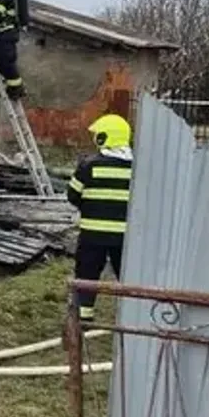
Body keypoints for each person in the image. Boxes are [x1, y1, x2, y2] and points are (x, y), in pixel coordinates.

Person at [66, 114, 132, 323]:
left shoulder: (89, 166)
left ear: (104, 138)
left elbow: (72, 195)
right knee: (127, 276)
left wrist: (90, 207)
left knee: (86, 275)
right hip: (124, 237)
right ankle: (131, 317)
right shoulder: (136, 168)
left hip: (92, 235)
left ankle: (84, 318)